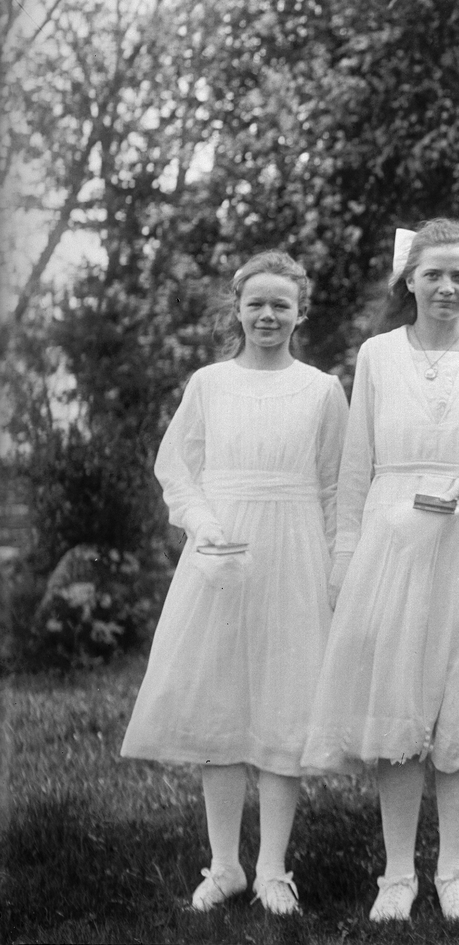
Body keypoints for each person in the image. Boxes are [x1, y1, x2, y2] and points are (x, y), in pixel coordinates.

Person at [302, 218, 459, 922]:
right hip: (393, 544)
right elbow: (354, 471)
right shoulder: (377, 356)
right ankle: (397, 876)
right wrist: (344, 563)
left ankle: (455, 869)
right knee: (399, 705)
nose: (446, 287)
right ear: (408, 280)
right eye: (433, 273)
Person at [121, 251, 348, 916]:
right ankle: (225, 866)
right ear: (238, 309)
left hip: (295, 554)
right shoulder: (209, 384)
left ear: (300, 312)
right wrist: (202, 524)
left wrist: (337, 569)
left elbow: (335, 487)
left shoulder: (321, 389)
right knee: (220, 705)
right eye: (257, 304)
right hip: (222, 555)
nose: (268, 315)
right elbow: (177, 468)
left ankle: (274, 869)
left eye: (282, 304)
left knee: (283, 706)